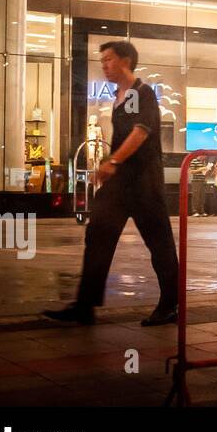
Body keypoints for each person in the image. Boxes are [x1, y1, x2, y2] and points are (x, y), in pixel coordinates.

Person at [44, 41, 179, 327]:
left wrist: (112, 162)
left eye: (108, 59)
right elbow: (125, 136)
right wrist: (109, 167)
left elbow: (140, 133)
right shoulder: (120, 96)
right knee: (98, 237)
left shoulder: (141, 94)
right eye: (102, 60)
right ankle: (84, 306)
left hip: (144, 184)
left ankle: (170, 305)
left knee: (160, 245)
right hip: (120, 186)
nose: (104, 65)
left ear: (126, 61)